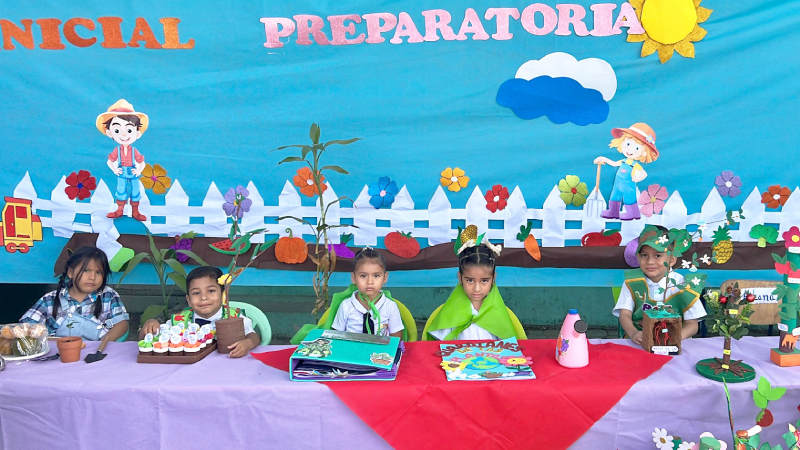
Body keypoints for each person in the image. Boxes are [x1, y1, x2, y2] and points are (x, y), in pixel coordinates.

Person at [424, 229, 527, 341]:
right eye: (470, 280)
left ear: (493, 279)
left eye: (484, 281)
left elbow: (509, 346)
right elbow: (436, 346)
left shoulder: (499, 313)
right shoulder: (450, 312)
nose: (477, 289)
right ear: (460, 278)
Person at [613, 225, 706, 345]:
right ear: (638, 257)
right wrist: (633, 333)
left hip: (676, 341)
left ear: (672, 259)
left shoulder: (684, 285)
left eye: (657, 255)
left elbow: (692, 325)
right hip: (640, 340)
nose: (650, 262)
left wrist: (674, 338)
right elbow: (625, 314)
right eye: (644, 255)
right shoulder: (632, 282)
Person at [140, 266, 259, 358]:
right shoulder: (179, 320)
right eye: (196, 293)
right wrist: (150, 324)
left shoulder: (234, 317)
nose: (203, 297)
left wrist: (248, 343)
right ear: (189, 300)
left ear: (224, 295)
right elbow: (150, 338)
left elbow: (253, 336)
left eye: (211, 291)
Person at [20, 246, 129, 341]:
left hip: (96, 353)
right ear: (71, 273)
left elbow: (122, 323)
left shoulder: (109, 296)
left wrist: (104, 342)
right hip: (57, 354)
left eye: (98, 272)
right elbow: (26, 325)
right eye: (86, 270)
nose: (92, 277)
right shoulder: (50, 300)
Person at [331, 248, 404, 338]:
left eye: (376, 275)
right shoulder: (346, 306)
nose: (370, 281)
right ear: (354, 278)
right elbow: (336, 337)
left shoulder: (390, 307)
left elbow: (396, 340)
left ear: (385, 278)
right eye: (363, 276)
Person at [594, 123, 659, 220]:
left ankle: (633, 213)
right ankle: (613, 211)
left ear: (644, 152)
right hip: (617, 183)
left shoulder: (635, 165)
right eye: (628, 144)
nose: (629, 149)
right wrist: (604, 159)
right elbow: (614, 164)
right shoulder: (623, 161)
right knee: (614, 196)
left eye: (637, 148)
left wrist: (637, 178)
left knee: (629, 198)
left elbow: (644, 174)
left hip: (628, 185)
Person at [97, 99, 148, 221]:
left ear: (137, 133)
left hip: (132, 171)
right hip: (121, 171)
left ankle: (135, 212)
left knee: (135, 191)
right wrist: (115, 170)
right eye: (117, 130)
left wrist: (139, 171)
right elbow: (109, 161)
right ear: (110, 133)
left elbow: (142, 162)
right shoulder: (117, 150)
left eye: (129, 130)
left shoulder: (134, 150)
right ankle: (119, 211)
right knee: (121, 191)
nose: (124, 135)